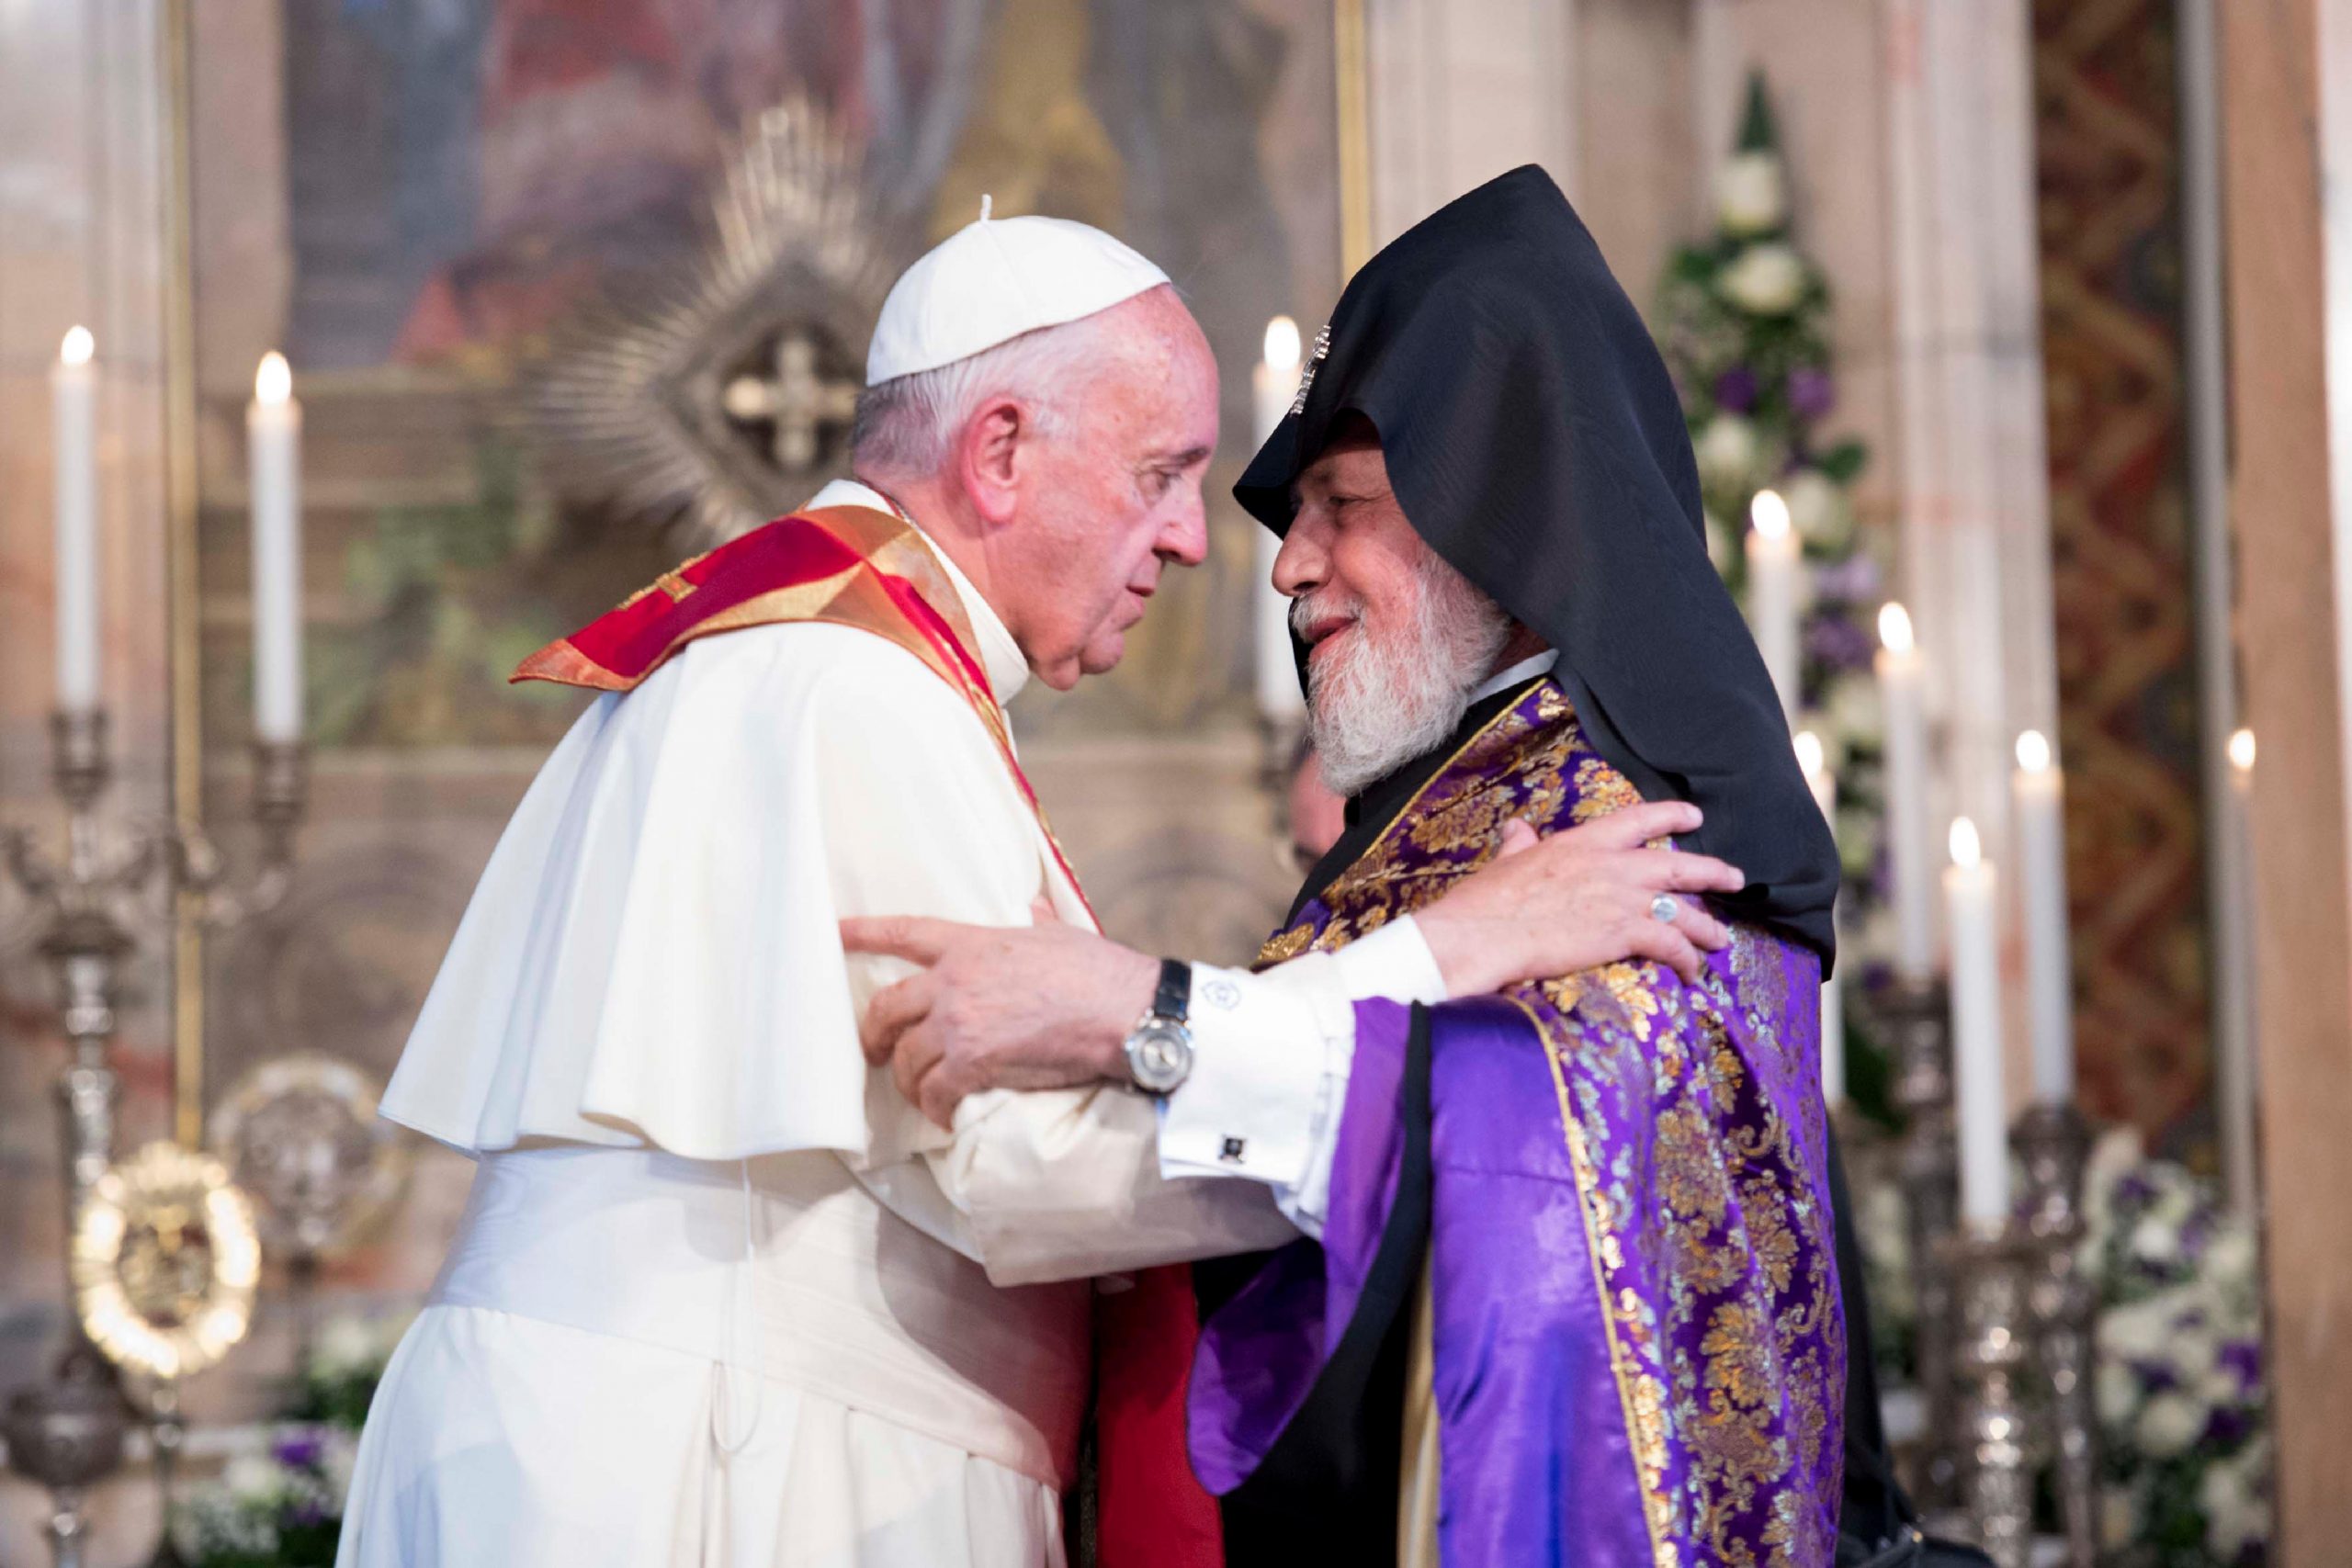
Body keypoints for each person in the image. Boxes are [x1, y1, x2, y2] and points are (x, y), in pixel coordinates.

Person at [334, 201, 1749, 1568]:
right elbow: (1030, 1172)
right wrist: (1441, 957)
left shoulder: (811, 654)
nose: (1200, 541)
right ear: (1000, 451)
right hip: (734, 1470)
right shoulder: (849, 688)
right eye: (1162, 474)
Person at [845, 167, 1852, 1567]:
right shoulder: (1461, 793)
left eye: (1341, 503)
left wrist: (1146, 1015)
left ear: (1498, 505)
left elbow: (1557, 1171)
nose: (1284, 568)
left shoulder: (1642, 824)